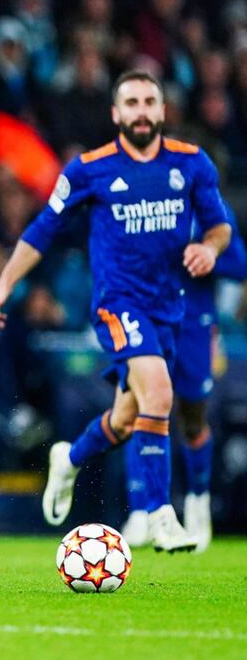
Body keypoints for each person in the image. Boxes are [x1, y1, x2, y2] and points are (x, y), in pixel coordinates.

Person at [0, 70, 231, 553]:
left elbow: (219, 227)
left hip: (168, 310)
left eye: (148, 101)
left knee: (127, 417)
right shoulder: (89, 169)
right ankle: (160, 515)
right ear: (116, 113)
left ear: (162, 111)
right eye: (130, 102)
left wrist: (210, 249)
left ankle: (68, 459)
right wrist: (3, 286)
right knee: (159, 392)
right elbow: (42, 230)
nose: (140, 110)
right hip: (119, 305)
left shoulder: (191, 164)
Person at [121, 218, 247, 552]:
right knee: (139, 409)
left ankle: (198, 502)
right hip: (146, 317)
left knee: (192, 420)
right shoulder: (145, 196)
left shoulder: (208, 210)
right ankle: (140, 511)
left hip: (193, 321)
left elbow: (238, 264)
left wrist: (204, 253)